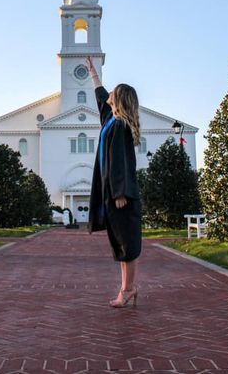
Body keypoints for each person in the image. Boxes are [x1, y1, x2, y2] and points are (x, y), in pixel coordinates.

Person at [86, 56, 142, 308]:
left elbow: (120, 161)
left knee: (126, 244)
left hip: (122, 196)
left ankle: (127, 289)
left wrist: (120, 193)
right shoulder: (111, 121)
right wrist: (93, 75)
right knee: (121, 244)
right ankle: (127, 289)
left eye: (112, 92)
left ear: (118, 100)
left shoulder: (119, 126)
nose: (107, 93)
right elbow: (100, 98)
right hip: (114, 193)